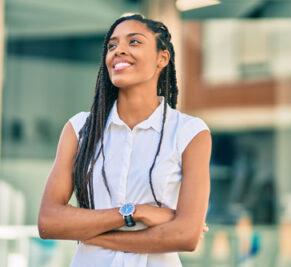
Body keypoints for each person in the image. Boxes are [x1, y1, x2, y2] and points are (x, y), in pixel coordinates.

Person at [38, 13, 212, 267]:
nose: (119, 50)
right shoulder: (79, 129)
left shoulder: (190, 133)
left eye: (134, 42)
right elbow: (49, 222)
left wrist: (94, 236)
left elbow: (186, 235)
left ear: (162, 58)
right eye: (112, 45)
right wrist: (133, 213)